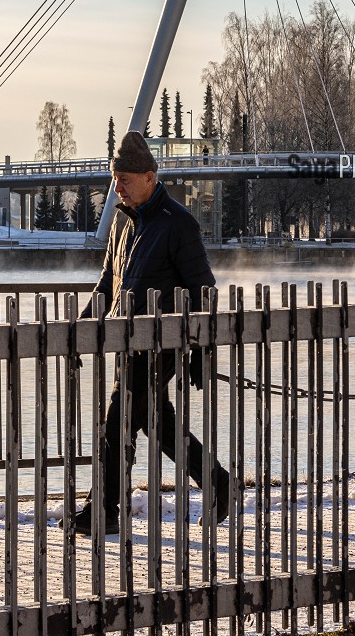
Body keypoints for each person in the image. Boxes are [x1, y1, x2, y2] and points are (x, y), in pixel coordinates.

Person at [70, 131, 231, 536]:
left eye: (124, 178)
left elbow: (203, 289)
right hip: (130, 344)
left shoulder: (179, 225)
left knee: (116, 420)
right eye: (114, 178)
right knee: (158, 426)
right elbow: (108, 283)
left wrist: (197, 349)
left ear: (149, 176)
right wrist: (80, 330)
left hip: (162, 347)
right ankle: (218, 482)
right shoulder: (125, 227)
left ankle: (103, 508)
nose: (117, 187)